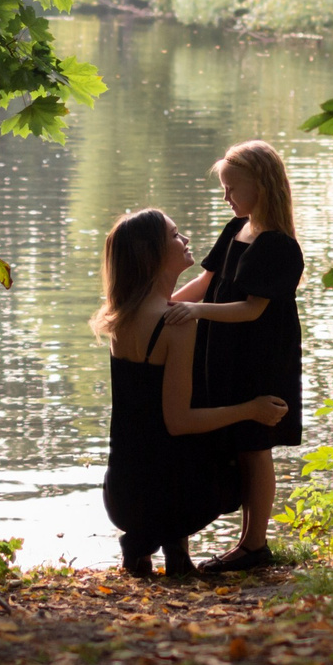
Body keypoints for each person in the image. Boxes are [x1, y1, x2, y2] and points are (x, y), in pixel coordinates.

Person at [94, 207, 290, 578]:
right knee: (233, 467)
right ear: (151, 253)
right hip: (159, 500)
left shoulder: (121, 314)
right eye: (174, 235)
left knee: (161, 445)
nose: (185, 241)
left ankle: (175, 555)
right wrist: (251, 408)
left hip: (120, 493)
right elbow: (180, 421)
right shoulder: (175, 324)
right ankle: (141, 543)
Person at [166, 140, 304, 573]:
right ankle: (244, 543)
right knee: (237, 446)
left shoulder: (279, 246)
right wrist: (162, 305)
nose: (226, 197)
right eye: (224, 189)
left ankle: (254, 545)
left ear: (260, 185)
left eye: (231, 188)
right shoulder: (235, 229)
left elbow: (252, 309)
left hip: (262, 358)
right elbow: (207, 282)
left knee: (256, 446)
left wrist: (193, 312)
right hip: (224, 353)